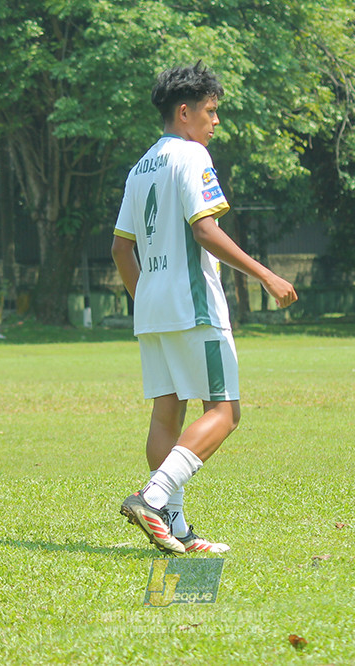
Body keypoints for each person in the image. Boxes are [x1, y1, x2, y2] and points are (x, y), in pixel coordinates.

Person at [111, 61, 297, 554]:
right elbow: (205, 230)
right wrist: (266, 275)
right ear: (185, 112)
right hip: (193, 306)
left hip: (152, 309)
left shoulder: (139, 168)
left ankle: (174, 529)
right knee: (225, 412)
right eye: (210, 112)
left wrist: (147, 300)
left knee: (166, 414)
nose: (215, 122)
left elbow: (120, 249)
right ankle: (152, 498)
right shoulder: (192, 156)